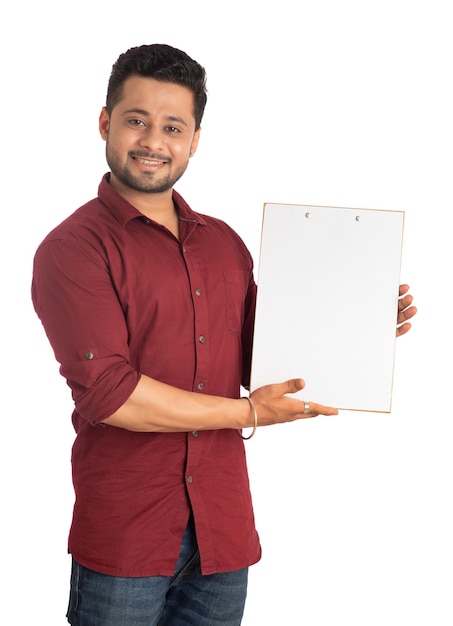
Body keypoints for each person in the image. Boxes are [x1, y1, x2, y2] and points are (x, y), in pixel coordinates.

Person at [31, 44, 416, 626]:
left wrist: (356, 321)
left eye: (173, 127)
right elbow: (111, 395)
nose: (153, 142)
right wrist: (247, 415)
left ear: (194, 139)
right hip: (126, 538)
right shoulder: (74, 249)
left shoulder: (223, 244)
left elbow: (266, 356)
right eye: (136, 120)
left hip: (222, 533)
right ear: (106, 122)